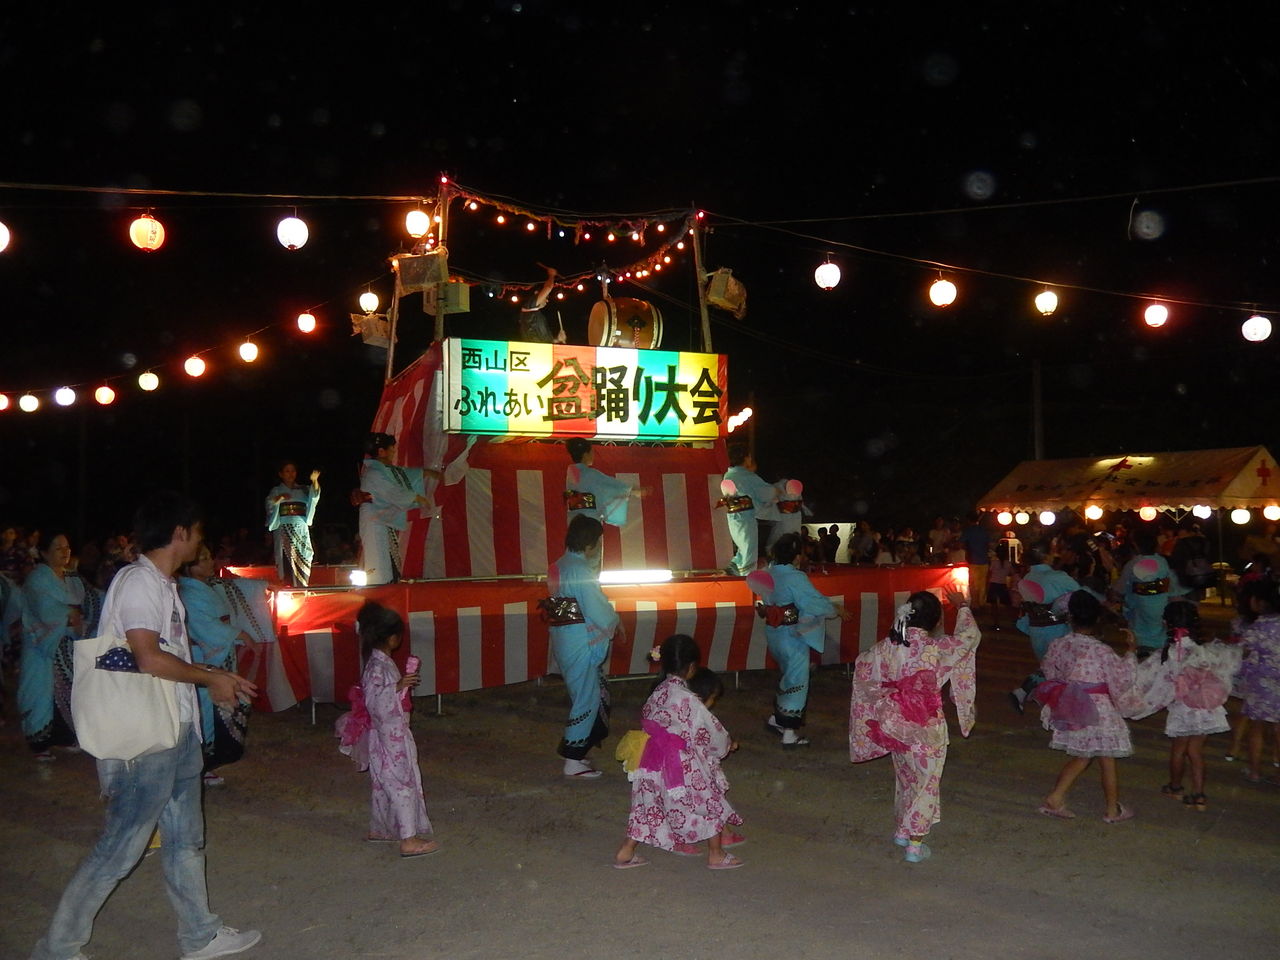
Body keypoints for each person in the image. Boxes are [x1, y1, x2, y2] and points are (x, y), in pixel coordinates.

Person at [30, 492, 261, 960]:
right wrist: (211, 678)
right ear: (179, 532)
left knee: (186, 841)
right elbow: (148, 658)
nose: (200, 541)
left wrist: (208, 679)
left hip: (174, 729)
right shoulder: (138, 582)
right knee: (119, 849)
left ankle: (199, 935)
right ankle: (57, 948)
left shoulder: (163, 584)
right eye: (197, 532)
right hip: (145, 738)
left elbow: (164, 656)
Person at [849, 589, 980, 863]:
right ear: (936, 621)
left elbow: (863, 666)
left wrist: (887, 692)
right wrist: (963, 607)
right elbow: (970, 637)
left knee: (906, 777)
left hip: (894, 722)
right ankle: (915, 845)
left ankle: (901, 830)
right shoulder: (938, 648)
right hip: (927, 725)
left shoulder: (887, 646)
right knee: (926, 783)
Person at [614, 634, 744, 870]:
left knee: (648, 804)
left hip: (651, 759)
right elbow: (709, 732)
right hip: (679, 761)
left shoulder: (658, 692)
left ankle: (626, 850)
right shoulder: (687, 699)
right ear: (692, 667)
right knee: (708, 800)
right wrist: (727, 745)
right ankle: (716, 854)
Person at [335, 601, 439, 858]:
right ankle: (408, 838)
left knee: (383, 783)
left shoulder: (377, 664)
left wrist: (399, 687)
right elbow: (375, 702)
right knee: (401, 782)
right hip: (391, 736)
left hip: (383, 737)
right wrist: (397, 687)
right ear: (392, 638)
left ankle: (381, 828)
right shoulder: (378, 667)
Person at [1035, 590, 1139, 824]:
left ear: (1071, 618)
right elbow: (1122, 678)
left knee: (1086, 754)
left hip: (1073, 704)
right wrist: (1131, 652)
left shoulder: (1059, 644)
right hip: (1098, 709)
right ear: (1097, 619)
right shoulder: (1100, 650)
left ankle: (1056, 798)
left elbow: (1049, 671)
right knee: (1103, 757)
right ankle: (1111, 810)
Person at [1131, 601, 1241, 810]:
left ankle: (1175, 786)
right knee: (1196, 751)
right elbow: (1225, 668)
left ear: (1166, 623)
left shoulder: (1168, 653)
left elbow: (1146, 677)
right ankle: (1199, 794)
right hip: (1207, 707)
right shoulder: (1204, 650)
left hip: (1183, 709)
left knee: (1179, 750)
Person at [753, 533, 852, 747]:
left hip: (774, 632)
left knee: (788, 676)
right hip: (791, 634)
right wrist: (834, 608)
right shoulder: (795, 577)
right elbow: (811, 602)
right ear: (797, 556)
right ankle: (789, 733)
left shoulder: (767, 573)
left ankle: (777, 719)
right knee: (797, 680)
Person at [543, 515, 621, 778]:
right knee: (586, 698)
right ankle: (573, 759)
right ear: (590, 543)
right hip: (580, 640)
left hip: (564, 636)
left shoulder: (559, 565)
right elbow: (596, 608)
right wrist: (613, 619)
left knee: (585, 694)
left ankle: (575, 749)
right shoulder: (580, 570)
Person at [178, 544, 260, 786]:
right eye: (202, 559)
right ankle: (200, 766)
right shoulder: (189, 594)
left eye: (208, 557)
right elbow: (205, 627)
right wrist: (238, 633)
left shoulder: (206, 588)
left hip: (217, 655)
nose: (210, 562)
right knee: (206, 712)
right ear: (189, 567)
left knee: (220, 709)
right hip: (205, 658)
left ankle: (206, 765)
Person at [18, 531, 82, 760]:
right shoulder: (37, 579)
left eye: (67, 547)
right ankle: (40, 742)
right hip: (42, 648)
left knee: (67, 693)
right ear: (44, 553)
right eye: (58, 547)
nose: (65, 552)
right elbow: (45, 610)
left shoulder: (72, 578)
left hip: (67, 648)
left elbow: (90, 600)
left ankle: (65, 737)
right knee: (42, 694)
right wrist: (69, 614)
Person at [358, 432, 442, 585]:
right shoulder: (374, 473)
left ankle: (389, 585)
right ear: (381, 451)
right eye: (391, 449)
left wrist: (425, 473)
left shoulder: (384, 470)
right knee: (378, 557)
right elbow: (391, 491)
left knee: (389, 556)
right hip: (374, 520)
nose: (393, 452)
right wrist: (416, 497)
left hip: (381, 519)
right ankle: (380, 589)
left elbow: (403, 474)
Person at [1009, 542, 1080, 713]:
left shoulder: (1027, 577)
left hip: (1036, 629)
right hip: (1057, 628)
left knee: (1048, 665)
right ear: (1046, 556)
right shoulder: (1057, 576)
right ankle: (1052, 705)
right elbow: (1081, 594)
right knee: (1060, 667)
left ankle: (1025, 693)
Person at [563, 438, 643, 565]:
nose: (593, 455)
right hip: (590, 524)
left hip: (574, 522)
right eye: (592, 452)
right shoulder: (591, 474)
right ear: (585, 454)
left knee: (575, 556)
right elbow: (613, 487)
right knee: (592, 559)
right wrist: (633, 490)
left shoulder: (571, 474)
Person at [1113, 532, 1190, 657]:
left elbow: (1119, 589)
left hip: (1139, 619)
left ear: (1136, 546)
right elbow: (1174, 589)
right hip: (1161, 614)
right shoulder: (1163, 562)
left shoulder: (1132, 564)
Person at [1238, 578, 1280, 785]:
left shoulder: (1257, 627)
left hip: (1261, 684)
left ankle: (1254, 770)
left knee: (1257, 727)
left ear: (1259, 602)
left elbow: (1244, 652)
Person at [717, 444, 777, 576]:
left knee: (743, 548)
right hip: (746, 517)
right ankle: (746, 579)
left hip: (734, 517)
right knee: (748, 550)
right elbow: (767, 493)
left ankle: (732, 570)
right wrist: (776, 491)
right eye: (749, 456)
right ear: (745, 458)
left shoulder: (729, 475)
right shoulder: (746, 476)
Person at [265, 460, 320, 586]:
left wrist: (315, 481)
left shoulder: (303, 489)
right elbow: (269, 503)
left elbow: (314, 497)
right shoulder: (276, 490)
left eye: (293, 471)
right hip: (284, 529)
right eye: (287, 471)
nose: (291, 474)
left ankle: (302, 586)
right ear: (281, 474)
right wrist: (279, 498)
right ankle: (288, 587)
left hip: (300, 528)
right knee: (286, 559)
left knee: (304, 557)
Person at [516, 264, 566, 343]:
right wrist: (551, 275)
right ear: (536, 293)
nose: (547, 300)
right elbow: (548, 287)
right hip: (533, 348)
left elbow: (547, 342)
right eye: (546, 297)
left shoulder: (537, 314)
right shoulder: (528, 307)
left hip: (541, 349)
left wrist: (558, 340)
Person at [960, 513, 992, 615]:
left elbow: (961, 543)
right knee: (982, 584)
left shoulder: (968, 531)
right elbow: (989, 544)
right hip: (984, 560)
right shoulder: (983, 530)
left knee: (973, 584)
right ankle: (981, 603)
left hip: (973, 560)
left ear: (969, 521)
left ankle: (975, 605)